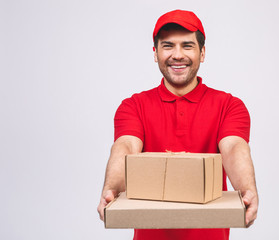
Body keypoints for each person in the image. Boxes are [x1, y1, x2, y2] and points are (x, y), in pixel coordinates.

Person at [97, 9, 258, 240]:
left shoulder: (229, 105)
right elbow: (126, 147)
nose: (178, 55)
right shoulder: (134, 106)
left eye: (187, 45)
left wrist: (248, 189)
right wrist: (111, 187)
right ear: (155, 53)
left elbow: (233, 148)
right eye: (168, 46)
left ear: (202, 53)